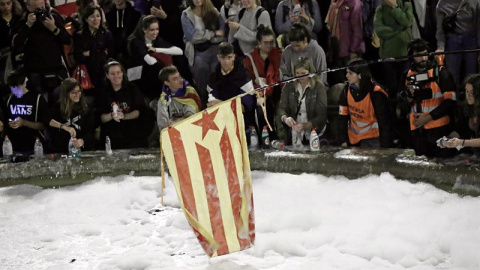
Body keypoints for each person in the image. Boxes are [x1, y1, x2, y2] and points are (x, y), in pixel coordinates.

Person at [404, 39, 457, 157]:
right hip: (418, 130)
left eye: (425, 54)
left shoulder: (441, 73)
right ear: (412, 56)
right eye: (419, 55)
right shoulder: (408, 75)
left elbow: (451, 102)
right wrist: (408, 96)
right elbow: (403, 103)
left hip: (439, 129)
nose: (423, 59)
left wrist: (429, 117)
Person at [11, 0, 72, 104]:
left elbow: (67, 40)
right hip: (35, 73)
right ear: (28, 7)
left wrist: (54, 28)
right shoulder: (21, 20)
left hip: (56, 70)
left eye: (42, 8)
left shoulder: (53, 16)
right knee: (41, 105)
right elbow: (16, 44)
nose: (40, 12)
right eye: (37, 10)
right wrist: (28, 26)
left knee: (61, 105)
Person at [338, 59, 392, 148]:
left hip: (373, 140)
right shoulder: (346, 90)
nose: (346, 76)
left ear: (360, 75)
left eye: (350, 73)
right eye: (347, 72)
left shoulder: (376, 92)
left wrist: (385, 145)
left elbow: (385, 120)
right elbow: (342, 117)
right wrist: (343, 140)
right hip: (353, 140)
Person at [128, 15, 183, 100]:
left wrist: (156, 49)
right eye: (152, 30)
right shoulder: (136, 41)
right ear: (144, 29)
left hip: (151, 75)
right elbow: (151, 62)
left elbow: (179, 51)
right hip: (137, 76)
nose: (155, 32)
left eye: (157, 29)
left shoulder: (156, 39)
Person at [181, 0, 225, 107]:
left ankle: (220, 102)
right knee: (201, 71)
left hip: (215, 48)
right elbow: (193, 37)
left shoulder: (214, 11)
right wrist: (212, 33)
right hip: (198, 51)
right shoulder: (186, 14)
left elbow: (222, 32)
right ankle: (203, 104)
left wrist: (209, 37)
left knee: (218, 73)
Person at [98, 60, 149, 149]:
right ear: (107, 75)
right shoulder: (103, 92)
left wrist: (124, 116)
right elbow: (101, 118)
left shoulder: (132, 88)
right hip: (112, 134)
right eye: (112, 73)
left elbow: (139, 111)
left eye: (118, 72)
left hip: (132, 133)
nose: (116, 76)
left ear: (122, 73)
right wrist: (112, 115)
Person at [278, 57, 327, 146]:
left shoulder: (319, 87)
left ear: (310, 73)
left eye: (303, 73)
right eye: (297, 73)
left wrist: (305, 125)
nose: (300, 77)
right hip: (294, 133)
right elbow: (281, 108)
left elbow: (322, 115)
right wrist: (286, 119)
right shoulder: (289, 86)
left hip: (314, 133)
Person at [243, 25, 282, 139]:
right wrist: (257, 90)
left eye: (271, 42)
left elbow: (279, 77)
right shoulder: (249, 59)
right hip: (257, 93)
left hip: (273, 92)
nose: (269, 45)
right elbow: (247, 80)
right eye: (266, 42)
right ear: (259, 43)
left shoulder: (278, 55)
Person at [435, 0, 480, 90]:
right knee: (452, 75)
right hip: (452, 40)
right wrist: (440, 47)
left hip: (471, 39)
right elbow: (440, 30)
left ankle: (470, 101)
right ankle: (453, 101)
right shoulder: (442, 3)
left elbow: (479, 27)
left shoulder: (475, 2)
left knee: (471, 75)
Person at [206, 42, 255, 124]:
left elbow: (247, 105)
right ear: (218, 57)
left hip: (241, 119)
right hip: (221, 118)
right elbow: (212, 102)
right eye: (223, 58)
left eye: (229, 57)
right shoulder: (214, 76)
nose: (226, 62)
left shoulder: (243, 75)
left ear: (234, 57)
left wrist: (223, 104)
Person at [74, 6, 114, 101]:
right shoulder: (79, 35)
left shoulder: (106, 34)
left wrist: (89, 53)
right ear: (86, 19)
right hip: (87, 75)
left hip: (103, 74)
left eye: (98, 16)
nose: (96, 19)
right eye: (92, 16)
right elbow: (77, 57)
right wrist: (99, 52)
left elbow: (111, 55)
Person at [373, 0, 413, 98]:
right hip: (387, 55)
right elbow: (380, 31)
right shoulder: (380, 9)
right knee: (392, 87)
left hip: (404, 53)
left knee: (405, 86)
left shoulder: (406, 5)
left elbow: (407, 21)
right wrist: (399, 29)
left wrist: (395, 8)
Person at [2, 69, 47, 154]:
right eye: (12, 88)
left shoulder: (37, 99)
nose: (14, 92)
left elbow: (44, 125)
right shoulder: (8, 99)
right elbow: (4, 121)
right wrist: (8, 124)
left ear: (24, 84)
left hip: (34, 147)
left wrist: (24, 123)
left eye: (17, 88)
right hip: (12, 147)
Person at [47, 78, 95, 153]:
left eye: (79, 91)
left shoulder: (86, 108)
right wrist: (65, 127)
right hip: (61, 150)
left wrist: (82, 140)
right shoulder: (57, 107)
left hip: (82, 150)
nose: (77, 95)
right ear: (66, 94)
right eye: (73, 92)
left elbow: (91, 131)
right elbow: (48, 120)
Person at [157, 65, 201, 131]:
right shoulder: (164, 98)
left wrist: (177, 122)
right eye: (175, 79)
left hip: (192, 128)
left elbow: (192, 115)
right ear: (167, 83)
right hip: (173, 132)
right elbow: (162, 124)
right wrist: (167, 127)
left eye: (179, 76)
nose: (180, 80)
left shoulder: (189, 92)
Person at [0, 0, 22, 85]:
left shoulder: (19, 18)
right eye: (2, 4)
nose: (6, 7)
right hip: (3, 58)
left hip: (19, 56)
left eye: (8, 3)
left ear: (13, 3)